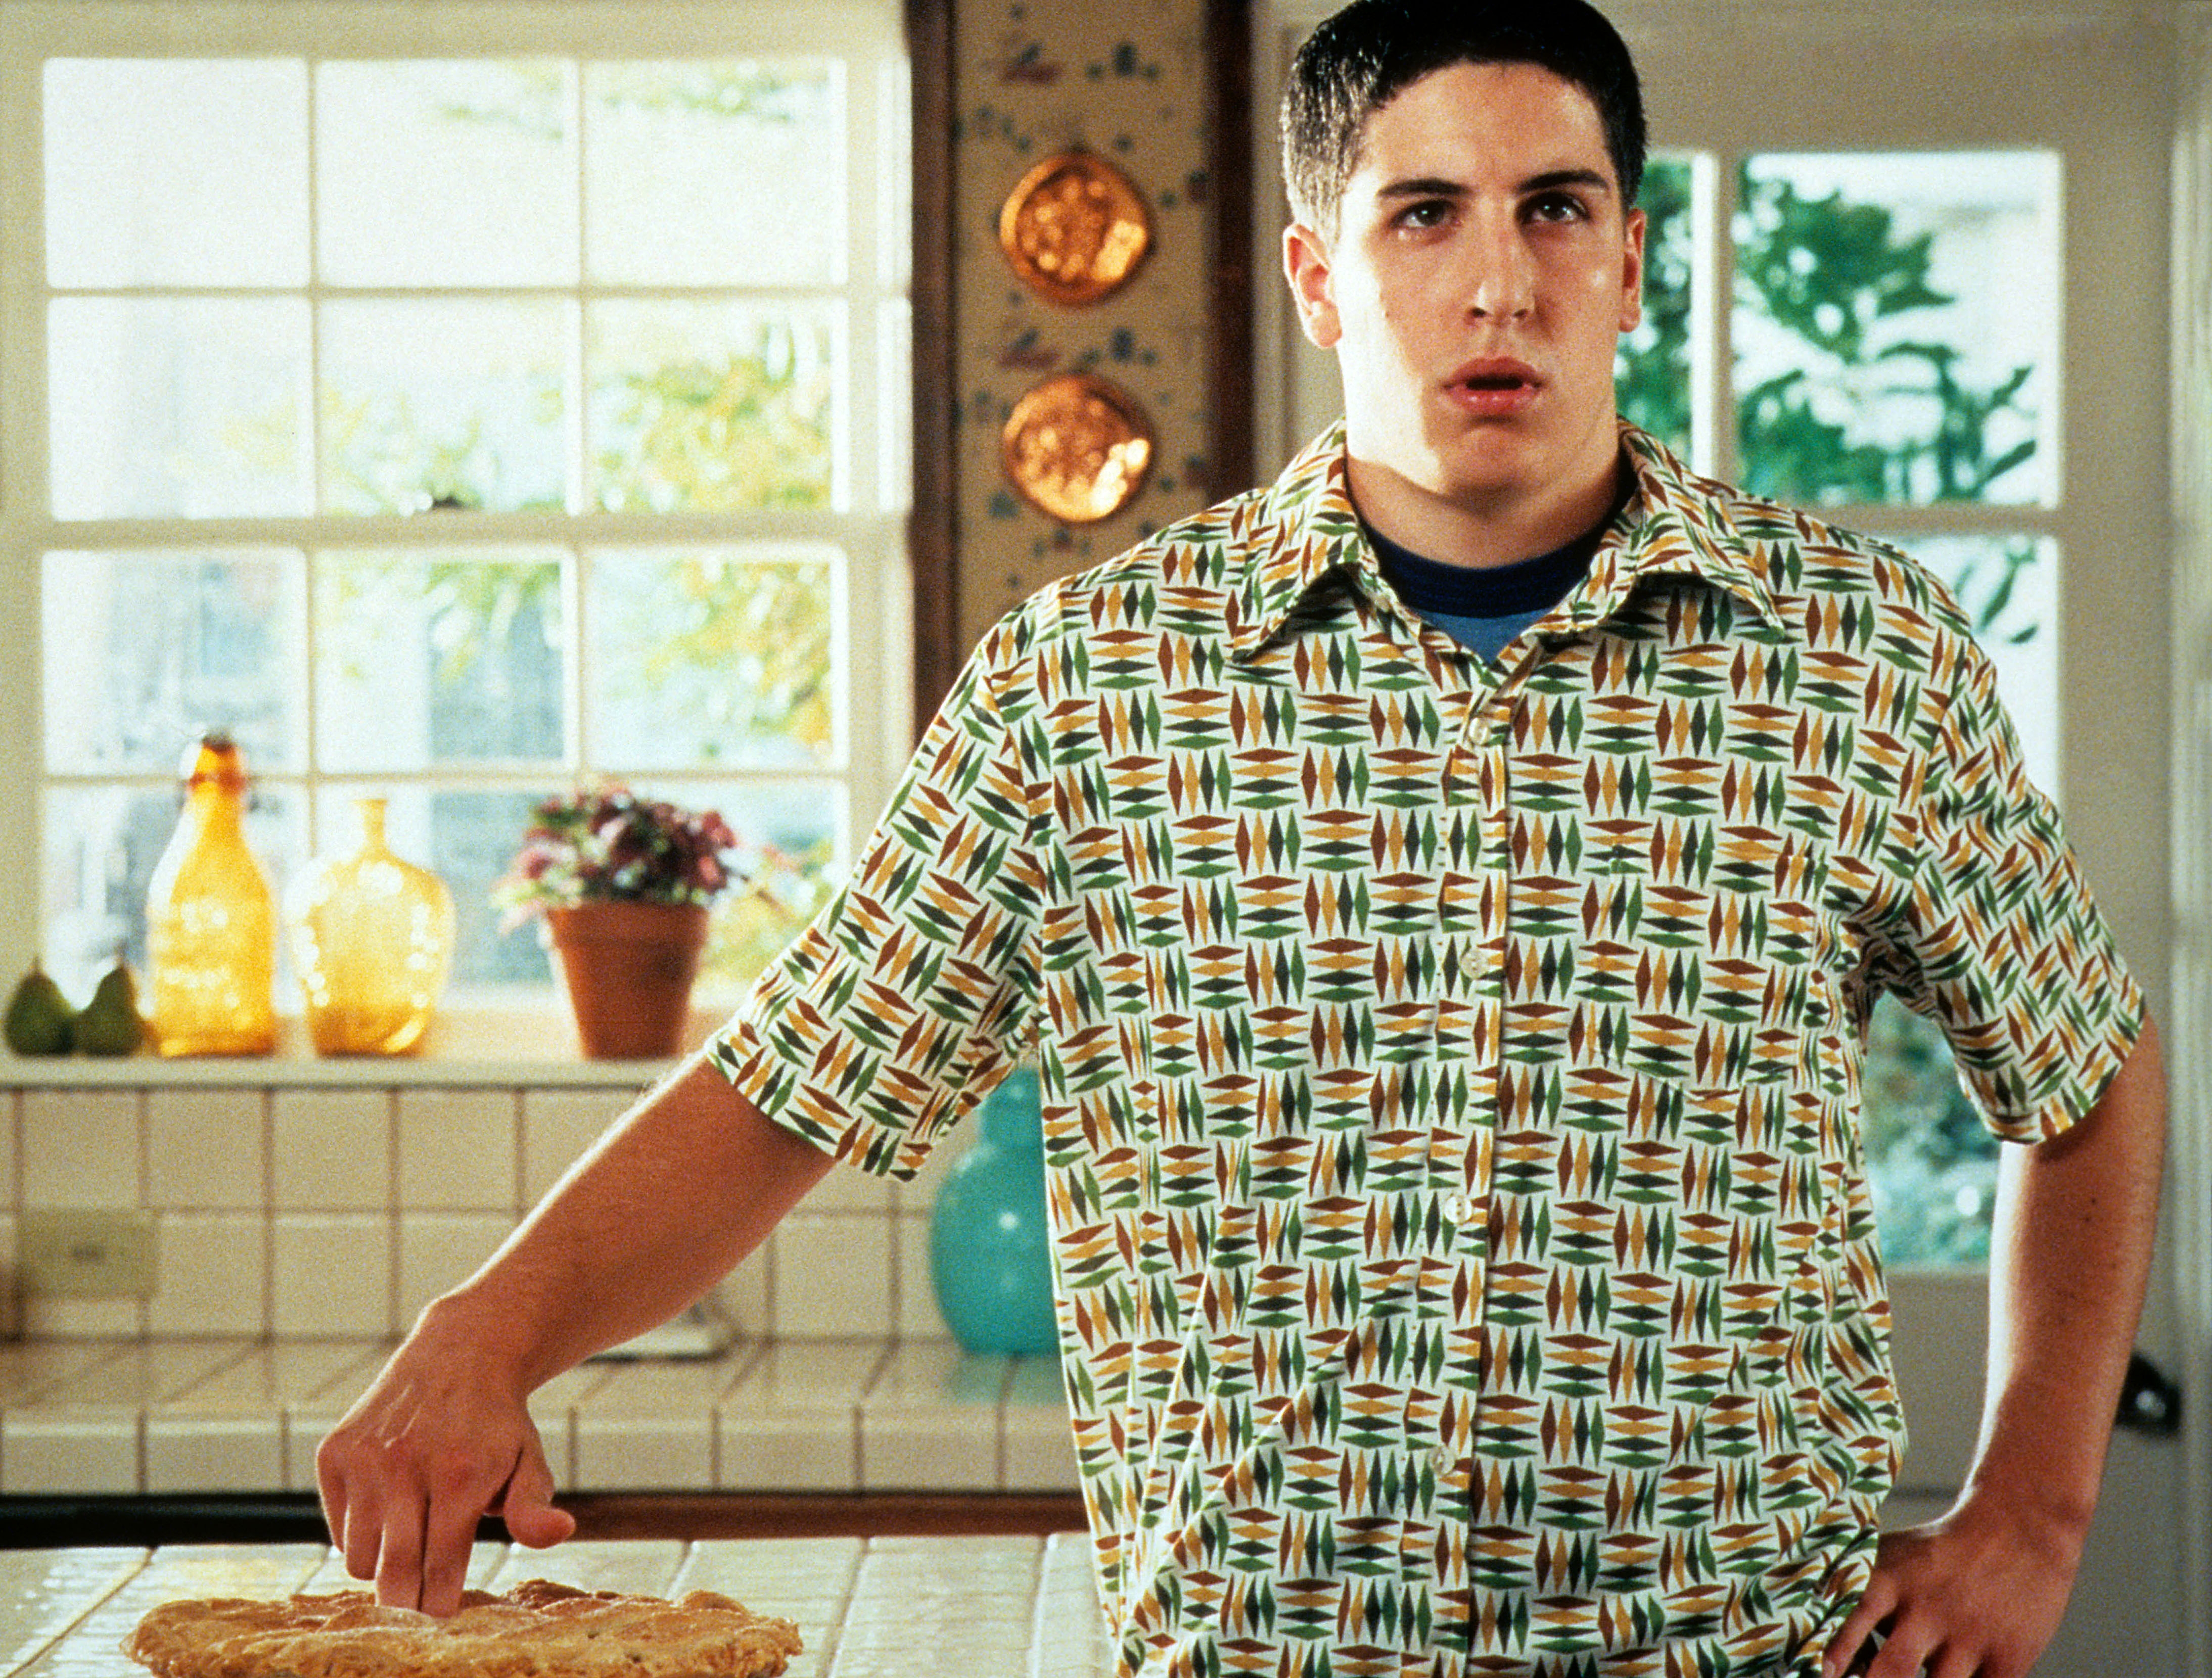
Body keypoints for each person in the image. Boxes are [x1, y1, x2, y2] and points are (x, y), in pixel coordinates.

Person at [316, 2, 2167, 1672]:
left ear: (1628, 263)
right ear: (1316, 275)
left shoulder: (1859, 653)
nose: (1497, 283)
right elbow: (795, 1085)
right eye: (1422, 214)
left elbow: (2083, 1069)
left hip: (1747, 1656)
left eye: (1556, 209)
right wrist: (486, 1333)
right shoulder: (1092, 687)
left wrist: (2032, 1511)